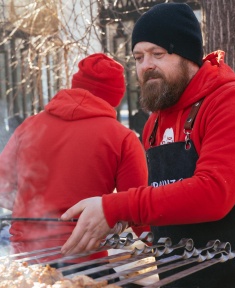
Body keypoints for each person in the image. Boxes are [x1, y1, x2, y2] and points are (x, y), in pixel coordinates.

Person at [60, 3, 235, 288]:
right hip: (182, 287)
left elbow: (213, 194)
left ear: (187, 55)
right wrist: (120, 225)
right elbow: (163, 203)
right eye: (139, 57)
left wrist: (116, 206)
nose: (146, 65)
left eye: (158, 54)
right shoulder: (155, 122)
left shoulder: (234, 103)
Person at [0, 53, 148, 261]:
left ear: (75, 86)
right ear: (115, 97)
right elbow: (138, 212)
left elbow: (3, 190)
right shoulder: (122, 138)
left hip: (24, 258)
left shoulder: (29, 126)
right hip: (84, 261)